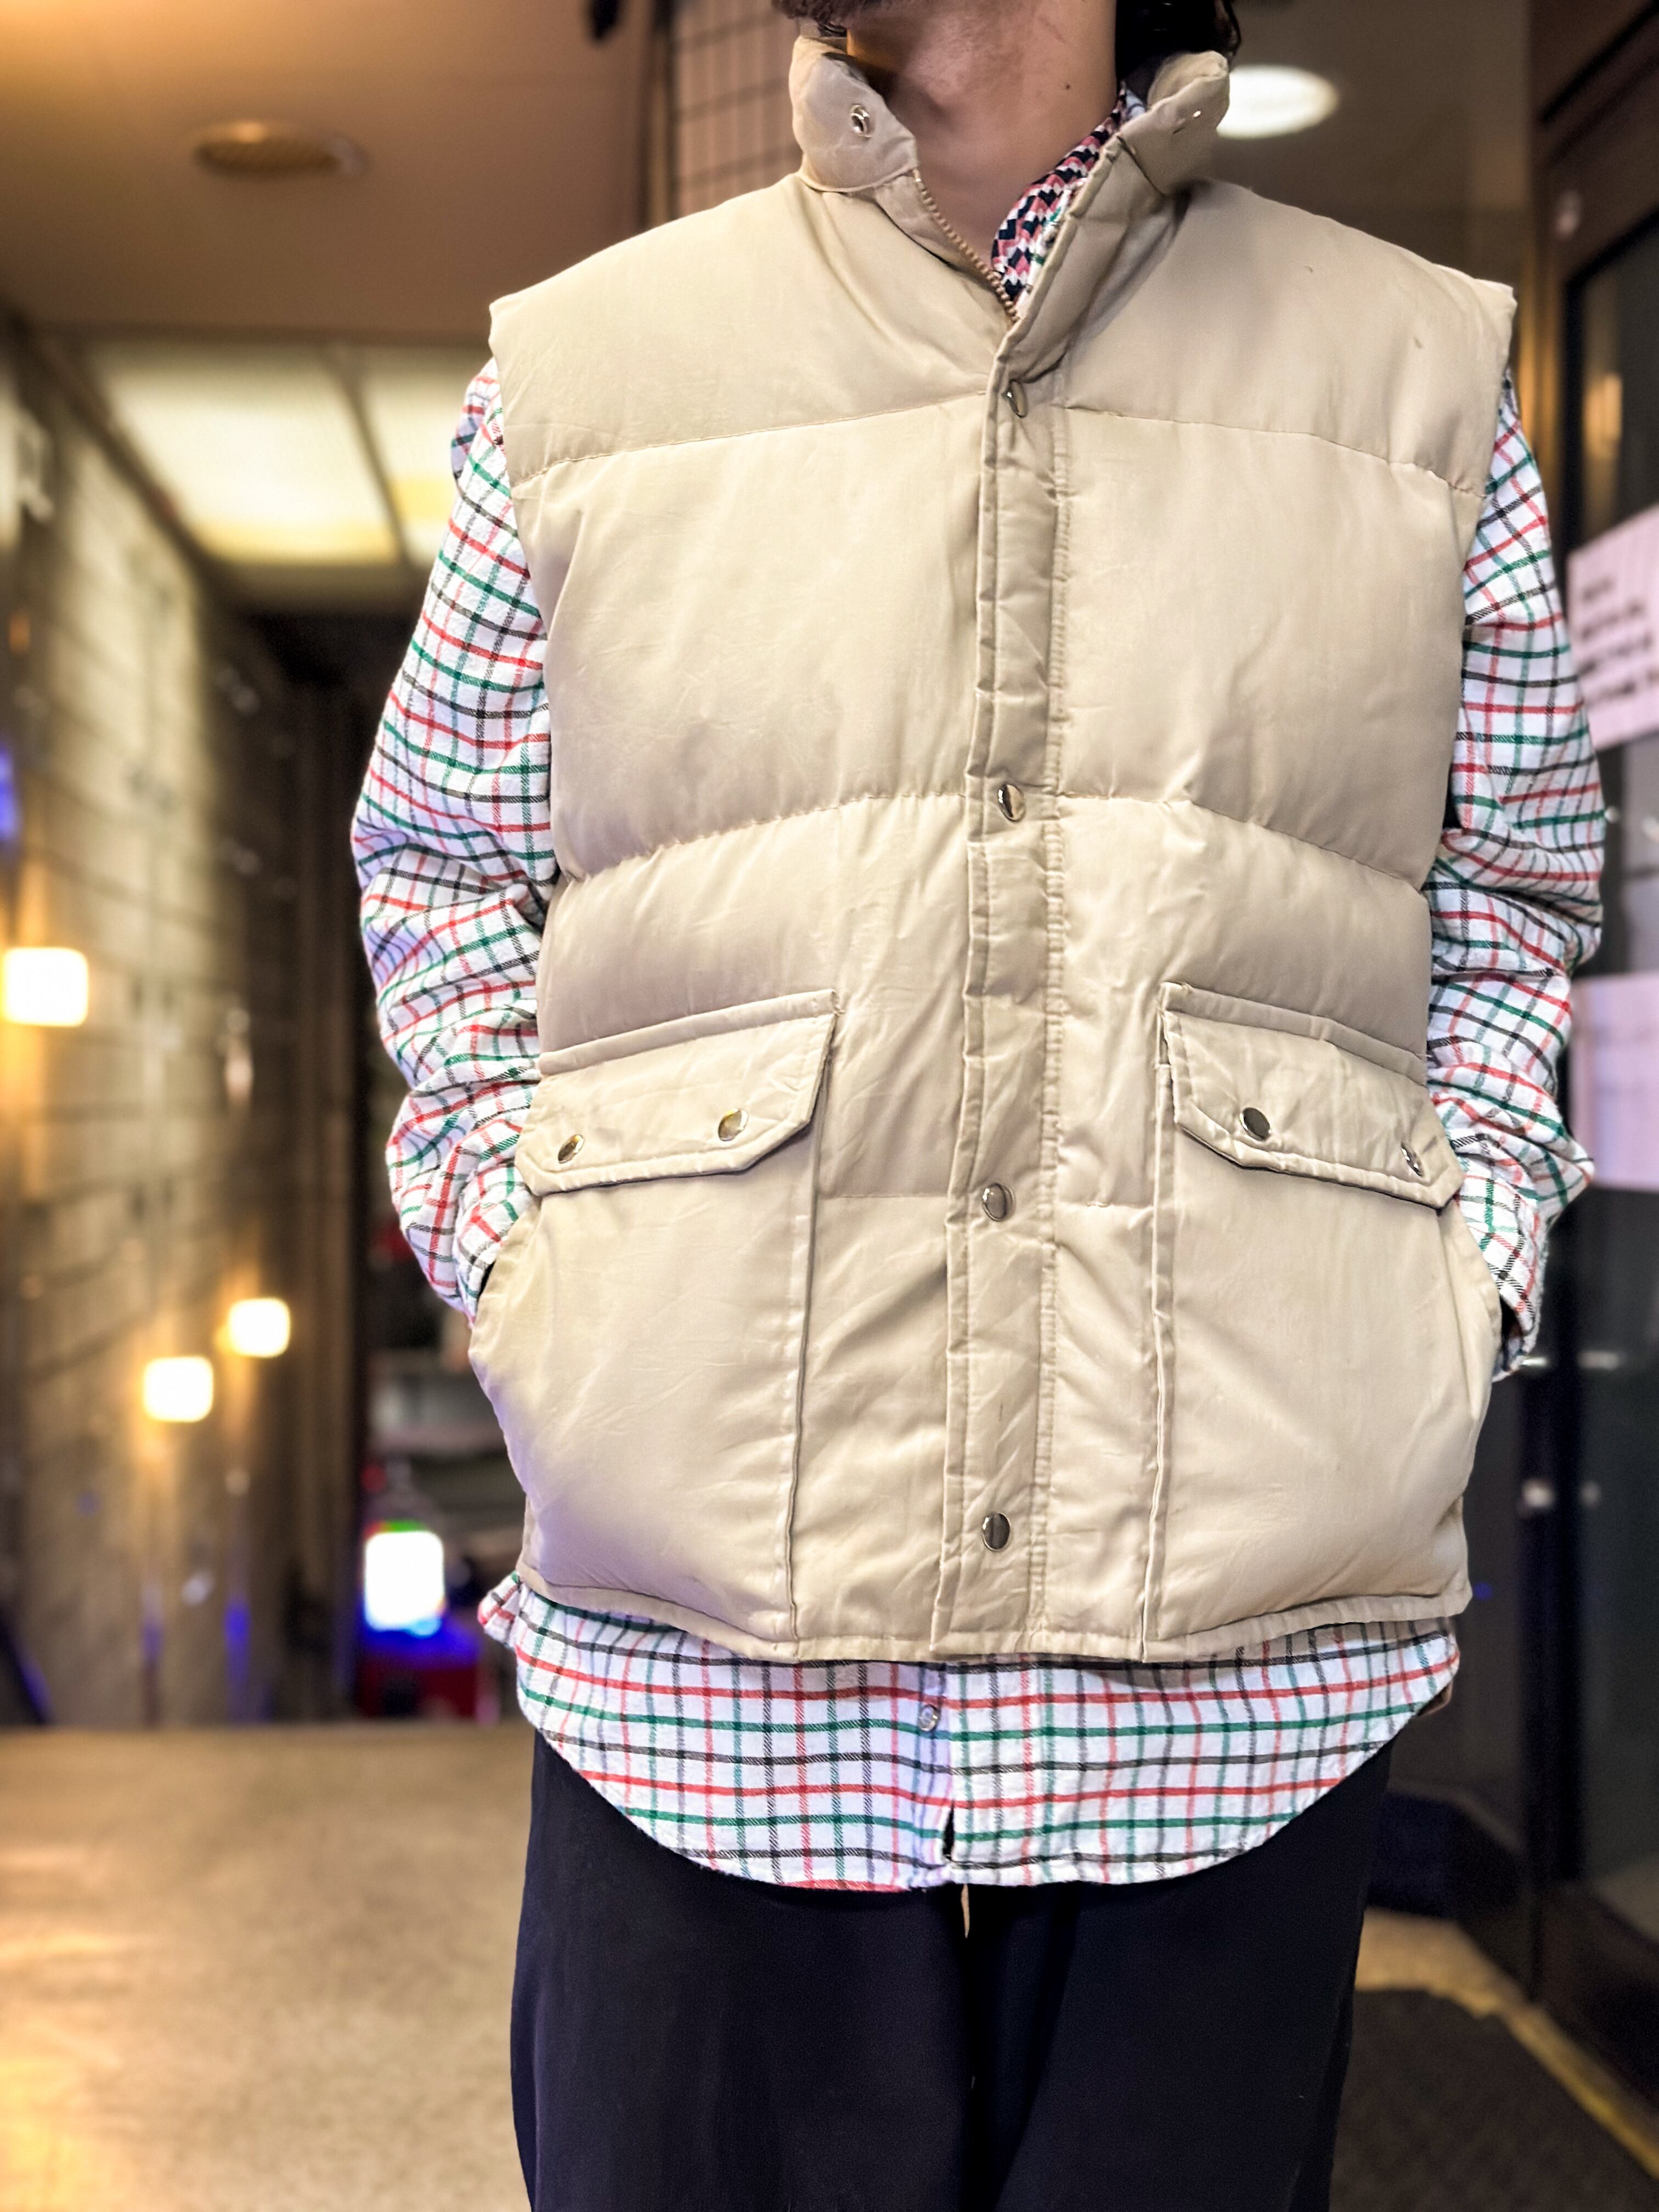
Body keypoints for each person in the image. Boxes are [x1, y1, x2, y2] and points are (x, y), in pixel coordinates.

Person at [353, 1, 1605, 2203]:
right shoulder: (580, 376)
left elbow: (1511, 893)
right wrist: (526, 1267)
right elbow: (441, 866)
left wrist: (1457, 1276)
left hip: (1233, 1672)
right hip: (706, 1669)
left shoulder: (1413, 381)